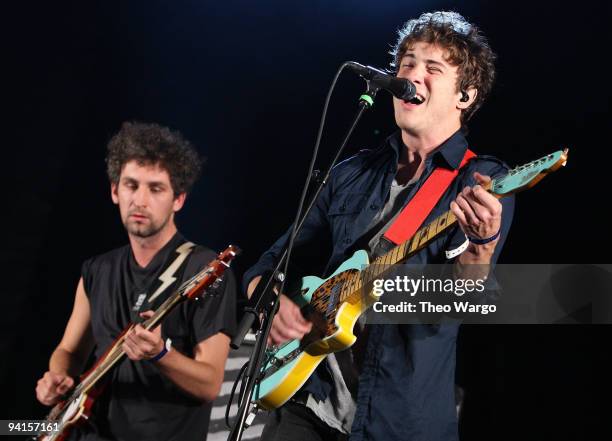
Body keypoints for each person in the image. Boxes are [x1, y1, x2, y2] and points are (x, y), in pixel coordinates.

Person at [244, 11, 515, 441]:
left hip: (400, 417)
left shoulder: (479, 181)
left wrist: (480, 248)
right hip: (308, 402)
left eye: (432, 68)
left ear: (465, 95)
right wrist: (271, 301)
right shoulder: (350, 172)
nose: (412, 75)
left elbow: (466, 304)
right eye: (406, 63)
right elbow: (270, 263)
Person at [35, 122, 237, 441]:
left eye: (155, 188)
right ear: (115, 191)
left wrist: (160, 354)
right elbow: (69, 351)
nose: (140, 200)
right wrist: (56, 377)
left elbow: (210, 384)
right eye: (131, 185)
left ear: (179, 199)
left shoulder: (204, 267)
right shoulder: (97, 269)